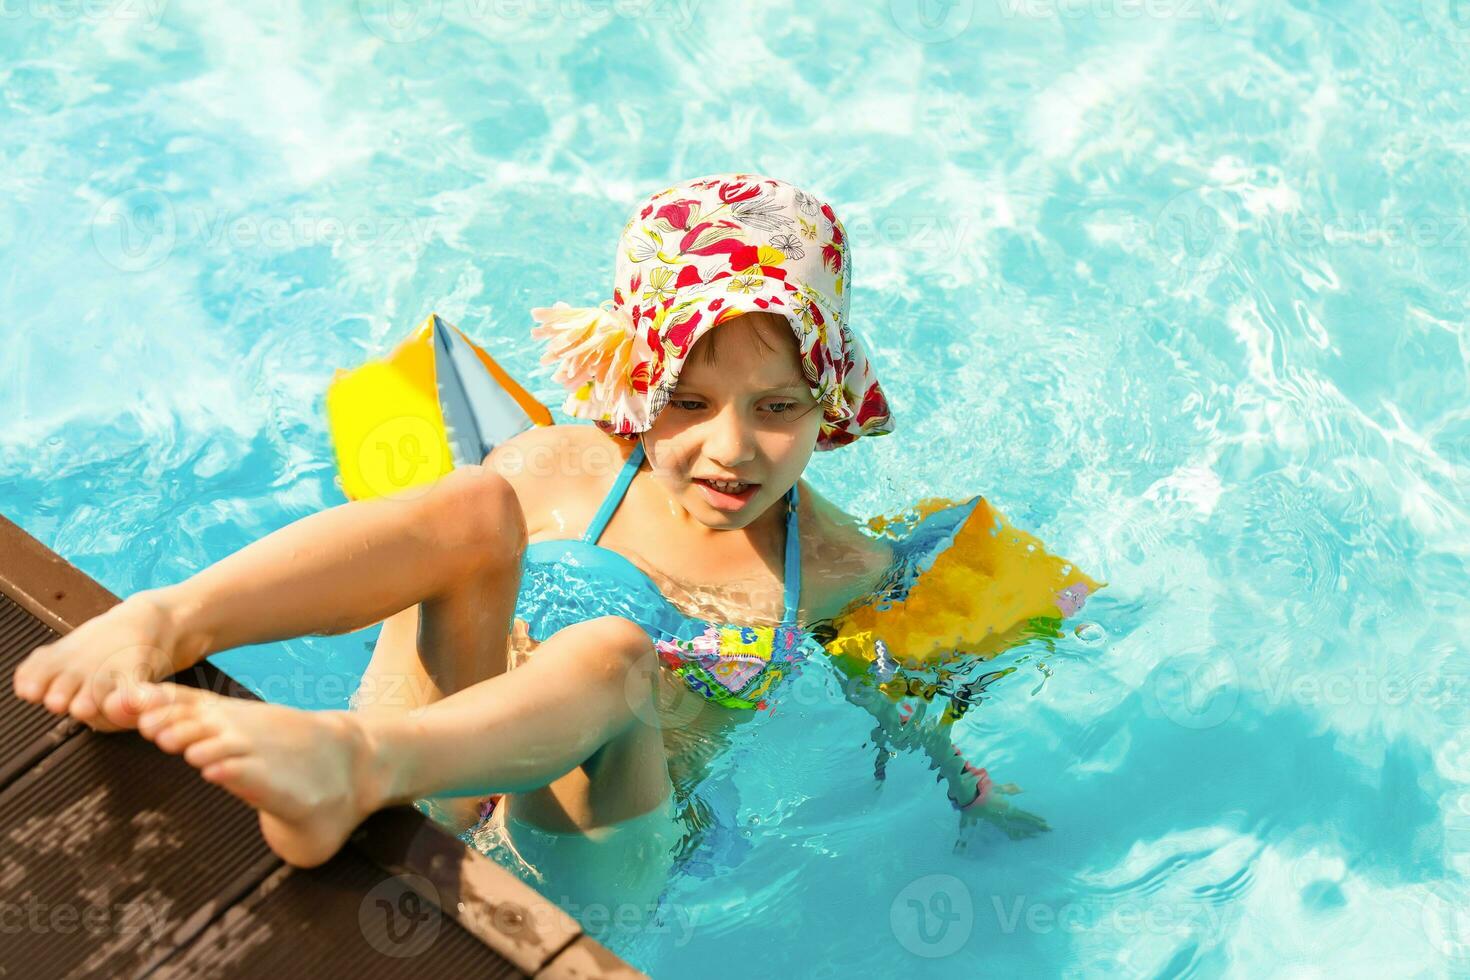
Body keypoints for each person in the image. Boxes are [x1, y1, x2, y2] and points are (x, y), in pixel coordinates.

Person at [10, 173, 1038, 919]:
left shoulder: (837, 565)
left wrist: (968, 787)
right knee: (471, 507)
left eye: (778, 407)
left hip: (590, 850)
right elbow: (434, 549)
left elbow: (900, 698)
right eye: (687, 401)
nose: (733, 448)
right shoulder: (565, 464)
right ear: (636, 377)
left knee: (610, 652)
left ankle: (347, 766)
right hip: (446, 770)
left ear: (831, 399)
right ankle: (162, 617)